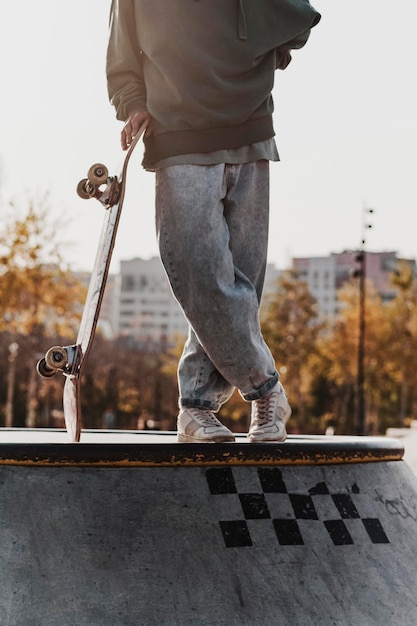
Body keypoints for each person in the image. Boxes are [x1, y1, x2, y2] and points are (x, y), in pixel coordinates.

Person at [106, 0, 321, 443]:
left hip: (251, 131)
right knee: (196, 266)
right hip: (177, 133)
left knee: (237, 283)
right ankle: (265, 387)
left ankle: (197, 406)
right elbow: (122, 57)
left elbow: (297, 20)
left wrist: (265, 50)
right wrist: (132, 104)